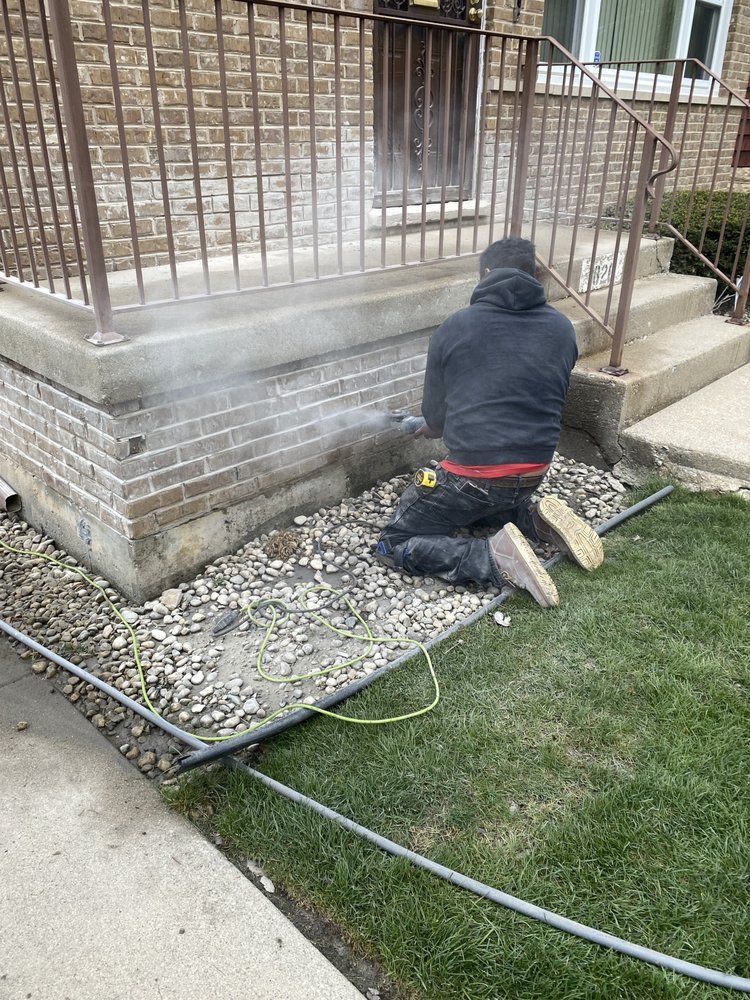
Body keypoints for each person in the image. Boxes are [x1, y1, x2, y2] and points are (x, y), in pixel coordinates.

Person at [376, 237, 603, 608]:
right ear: (534, 274)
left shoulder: (455, 327)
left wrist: (427, 425)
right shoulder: (562, 329)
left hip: (475, 479)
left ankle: (494, 557)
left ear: (485, 273)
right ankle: (535, 520)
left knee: (393, 541)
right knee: (491, 498)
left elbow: (436, 419)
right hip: (533, 470)